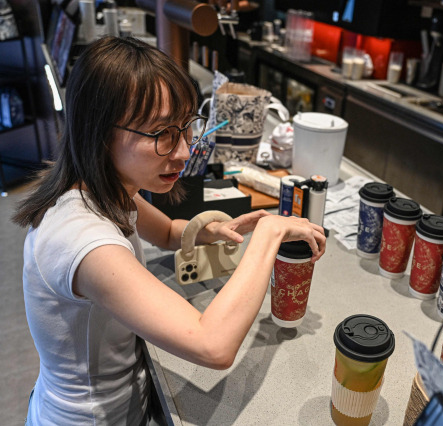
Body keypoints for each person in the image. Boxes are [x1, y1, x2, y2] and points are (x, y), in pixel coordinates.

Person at [12, 36, 326, 424]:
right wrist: (268, 236)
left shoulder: (102, 189)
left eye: (186, 128)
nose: (182, 151)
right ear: (99, 132)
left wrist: (211, 228)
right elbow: (213, 345)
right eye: (161, 134)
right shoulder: (83, 239)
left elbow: (165, 233)